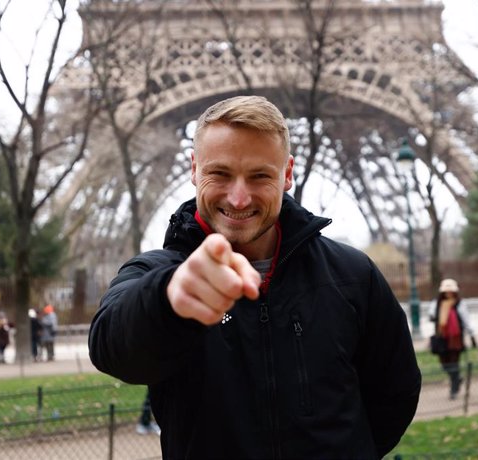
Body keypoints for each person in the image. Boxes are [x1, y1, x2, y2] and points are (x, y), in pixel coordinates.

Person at [88, 95, 421, 459]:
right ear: (194, 169)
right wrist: (168, 300)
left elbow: (395, 393)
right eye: (220, 174)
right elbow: (113, 348)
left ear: (288, 173)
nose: (240, 198)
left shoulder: (354, 275)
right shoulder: (154, 275)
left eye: (260, 175)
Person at [431, 278, 477, 400]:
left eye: (450, 291)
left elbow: (466, 319)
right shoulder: (436, 303)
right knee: (444, 363)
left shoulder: (459, 304)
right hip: (442, 337)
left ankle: (454, 387)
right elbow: (432, 316)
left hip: (455, 337)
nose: (448, 294)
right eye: (446, 291)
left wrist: (472, 335)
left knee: (453, 362)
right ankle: (456, 378)